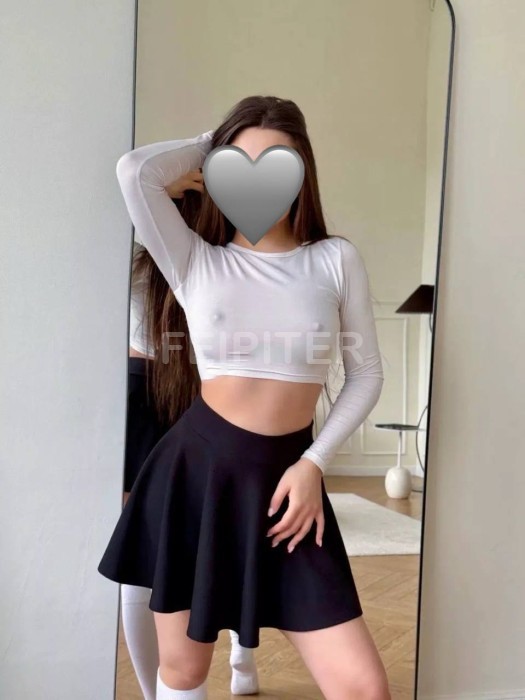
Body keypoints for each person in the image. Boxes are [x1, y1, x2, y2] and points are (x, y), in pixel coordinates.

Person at [98, 95, 391, 700]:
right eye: (240, 165)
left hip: (292, 488)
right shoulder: (194, 259)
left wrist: (314, 463)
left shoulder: (334, 260)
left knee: (363, 686)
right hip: (194, 477)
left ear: (302, 173)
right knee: (183, 671)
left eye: (276, 163)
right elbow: (135, 171)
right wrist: (214, 143)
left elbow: (366, 374)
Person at [120, 242, 259, 698]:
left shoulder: (229, 253)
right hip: (146, 391)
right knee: (147, 554)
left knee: (232, 536)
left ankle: (243, 653)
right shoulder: (139, 247)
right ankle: (160, 691)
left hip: (218, 394)